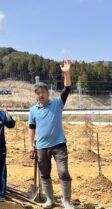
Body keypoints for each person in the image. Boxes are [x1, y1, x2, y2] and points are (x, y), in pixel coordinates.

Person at [28, 60, 74, 209]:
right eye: (38, 93)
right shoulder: (33, 110)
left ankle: (66, 201)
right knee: (45, 174)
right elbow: (31, 127)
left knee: (63, 172)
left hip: (59, 144)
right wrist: (30, 145)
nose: (41, 95)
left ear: (48, 93)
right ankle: (50, 200)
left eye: (43, 92)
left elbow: (67, 88)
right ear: (36, 95)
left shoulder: (57, 104)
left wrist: (66, 73)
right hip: (41, 146)